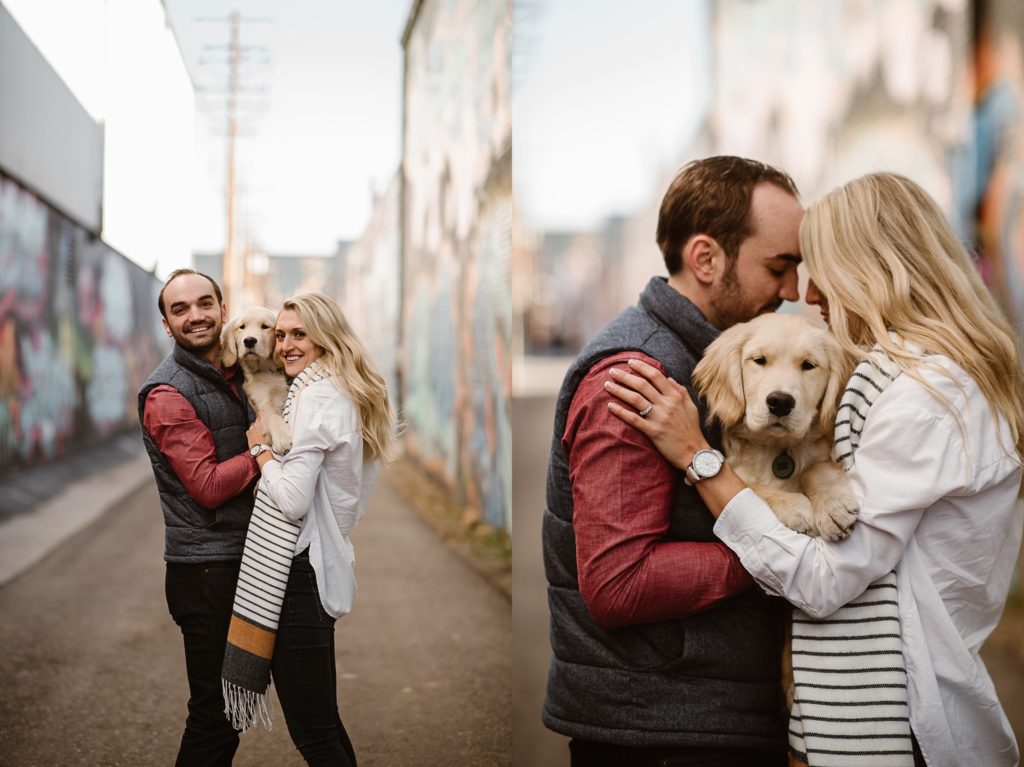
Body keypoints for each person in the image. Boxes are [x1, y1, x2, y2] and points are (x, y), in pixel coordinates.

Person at [605, 172, 1024, 767]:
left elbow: (825, 580)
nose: (807, 293)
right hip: (862, 718)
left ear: (873, 269)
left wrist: (701, 460)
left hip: (900, 733)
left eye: (817, 269)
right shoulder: (897, 382)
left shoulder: (924, 399)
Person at [542, 155, 805, 766]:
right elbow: (619, 584)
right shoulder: (637, 379)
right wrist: (780, 552)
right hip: (662, 735)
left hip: (702, 717)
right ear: (706, 258)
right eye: (779, 266)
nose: (792, 291)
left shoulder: (719, 362)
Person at [241, 292, 394, 766]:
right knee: (323, 723)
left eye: (298, 334)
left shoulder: (317, 398)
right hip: (314, 564)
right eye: (280, 334)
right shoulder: (333, 389)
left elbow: (291, 501)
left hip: (300, 575)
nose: (284, 344)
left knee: (313, 732)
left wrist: (260, 452)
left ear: (325, 337)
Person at [139, 268, 260, 765]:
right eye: (180, 309)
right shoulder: (167, 393)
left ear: (223, 308)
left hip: (244, 563)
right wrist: (261, 454)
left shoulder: (241, 373)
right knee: (216, 715)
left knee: (236, 711)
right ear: (167, 325)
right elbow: (208, 488)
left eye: (204, 303)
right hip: (205, 574)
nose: (195, 316)